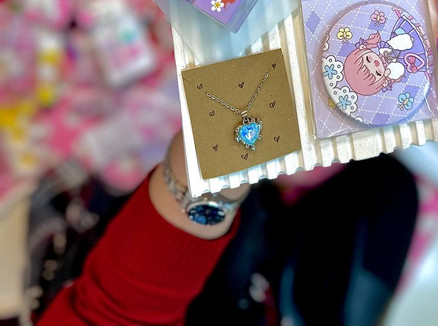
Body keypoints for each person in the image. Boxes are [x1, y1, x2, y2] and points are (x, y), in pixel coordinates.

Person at [38, 131, 418, 326]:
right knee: (392, 187)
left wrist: (222, 146)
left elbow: (116, 313)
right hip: (272, 304)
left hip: (178, 290)